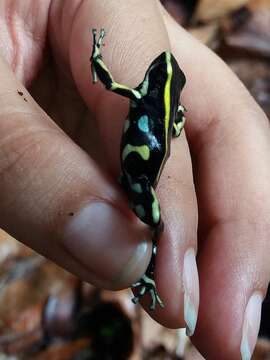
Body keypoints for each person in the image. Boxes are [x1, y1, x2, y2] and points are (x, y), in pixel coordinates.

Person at [0, 1, 269, 359]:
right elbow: (109, 81)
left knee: (157, 225)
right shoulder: (148, 100)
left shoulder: (147, 99)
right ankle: (148, 271)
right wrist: (96, 51)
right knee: (157, 225)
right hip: (134, 174)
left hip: (141, 182)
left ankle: (146, 274)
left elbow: (111, 82)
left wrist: (98, 57)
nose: (155, 73)